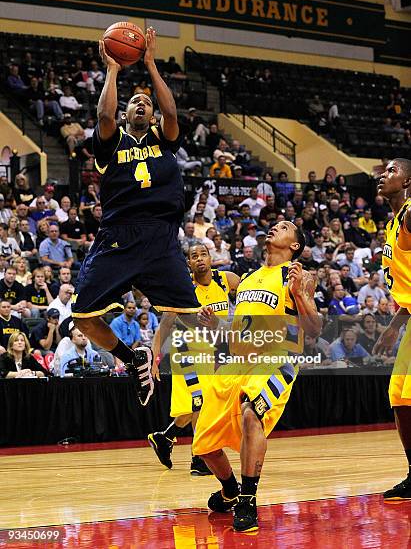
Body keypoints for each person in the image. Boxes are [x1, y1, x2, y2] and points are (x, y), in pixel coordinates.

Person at [72, 28, 200, 406]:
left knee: (194, 316)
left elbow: (172, 111)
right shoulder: (111, 143)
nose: (141, 104)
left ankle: (222, 374)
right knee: (82, 318)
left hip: (162, 237)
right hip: (118, 236)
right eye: (135, 103)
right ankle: (132, 358)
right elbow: (103, 113)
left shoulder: (165, 138)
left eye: (147, 101)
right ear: (127, 115)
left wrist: (149, 64)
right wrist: (112, 70)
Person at [192, 222, 320, 532]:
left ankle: (248, 499)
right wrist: (216, 328)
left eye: (285, 226)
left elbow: (314, 330)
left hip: (276, 360)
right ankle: (231, 491)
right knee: (203, 444)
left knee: (252, 413)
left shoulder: (300, 276)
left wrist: (299, 295)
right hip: (237, 363)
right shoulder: (248, 279)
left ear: (294, 246)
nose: (276, 226)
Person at [148, 243, 240, 475]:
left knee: (197, 404)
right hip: (187, 350)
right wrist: (154, 358)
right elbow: (165, 324)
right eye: (193, 256)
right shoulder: (184, 288)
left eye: (203, 255)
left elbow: (250, 295)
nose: (199, 259)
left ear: (211, 258)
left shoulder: (226, 279)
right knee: (202, 402)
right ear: (188, 263)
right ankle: (199, 459)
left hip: (214, 350)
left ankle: (165, 437)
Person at [373, 159, 411, 500]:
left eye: (392, 171)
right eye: (383, 171)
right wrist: (393, 326)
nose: (383, 176)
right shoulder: (394, 222)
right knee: (399, 397)